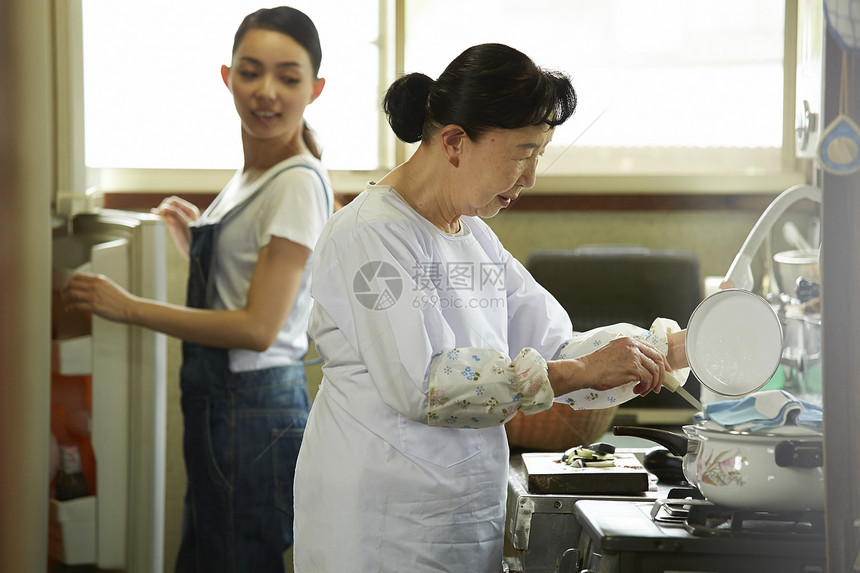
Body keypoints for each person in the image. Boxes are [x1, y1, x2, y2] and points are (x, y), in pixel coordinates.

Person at [292, 43, 690, 572]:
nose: (530, 177)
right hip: (381, 527)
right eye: (523, 153)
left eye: (539, 155)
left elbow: (552, 345)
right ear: (455, 142)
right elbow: (425, 385)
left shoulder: (472, 235)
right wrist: (575, 371)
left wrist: (676, 347)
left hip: (459, 517)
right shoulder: (370, 235)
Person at [62, 7, 332, 572]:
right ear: (226, 76)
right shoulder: (254, 176)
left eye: (288, 77)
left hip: (254, 409)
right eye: (250, 71)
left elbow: (259, 329)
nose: (266, 92)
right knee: (210, 556)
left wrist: (129, 308)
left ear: (316, 89)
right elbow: (244, 290)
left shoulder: (297, 183)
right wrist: (198, 242)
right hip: (229, 407)